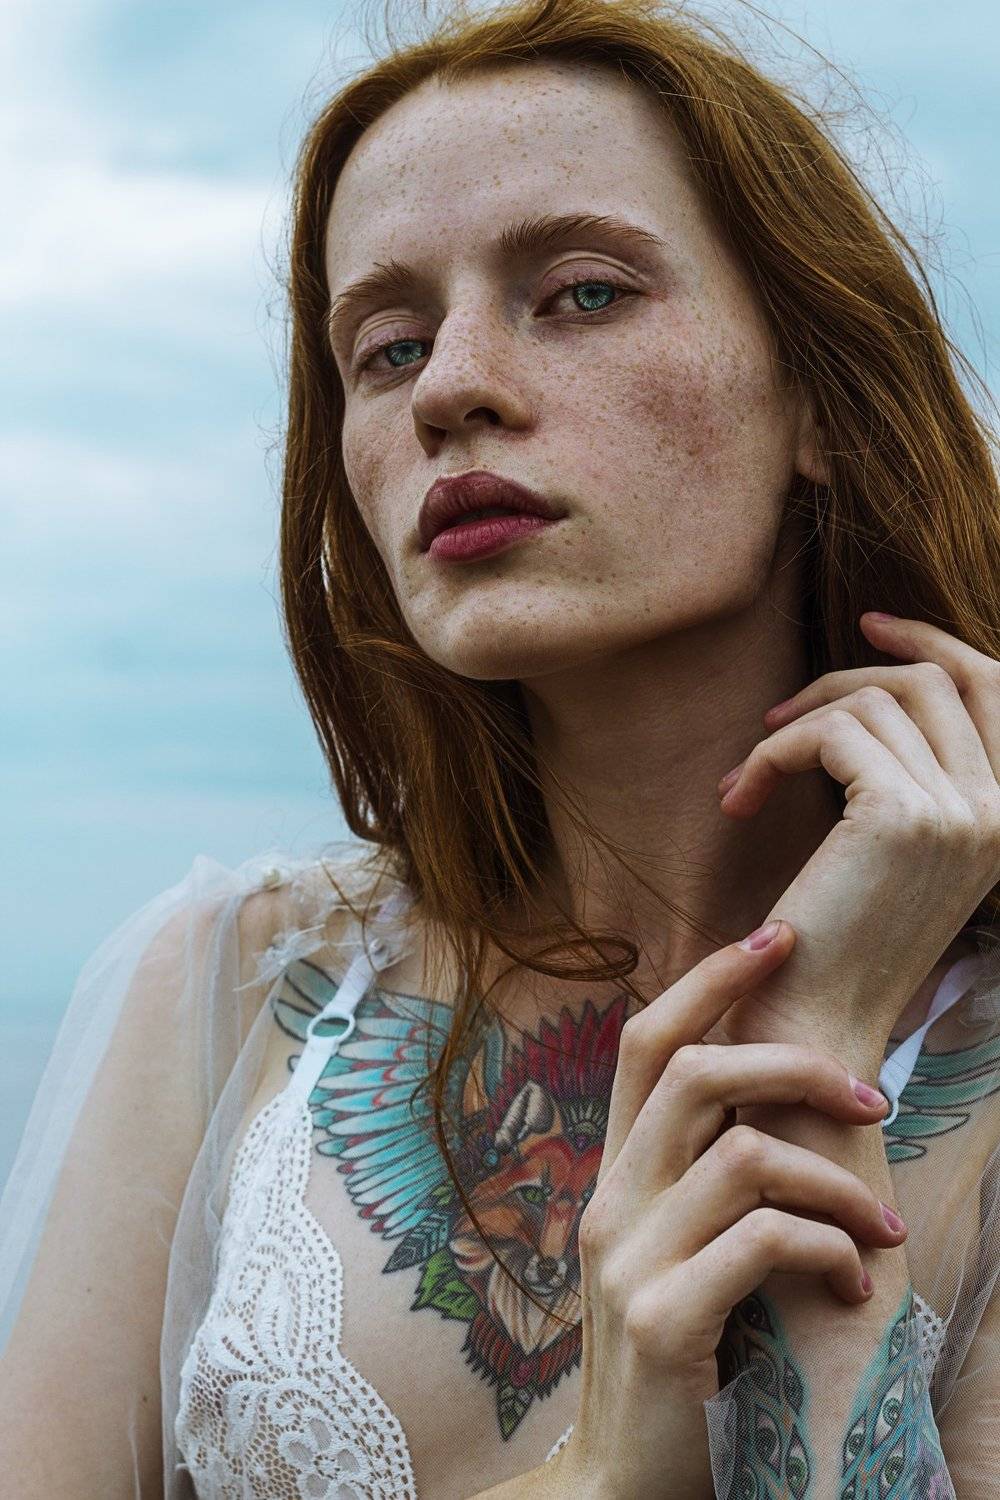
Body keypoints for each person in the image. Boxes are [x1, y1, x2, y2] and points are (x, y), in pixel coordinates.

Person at [2, 0, 999, 1494]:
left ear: (814, 390)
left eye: (583, 294)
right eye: (387, 345)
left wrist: (814, 1050)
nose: (449, 387)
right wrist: (600, 1474)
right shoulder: (235, 989)